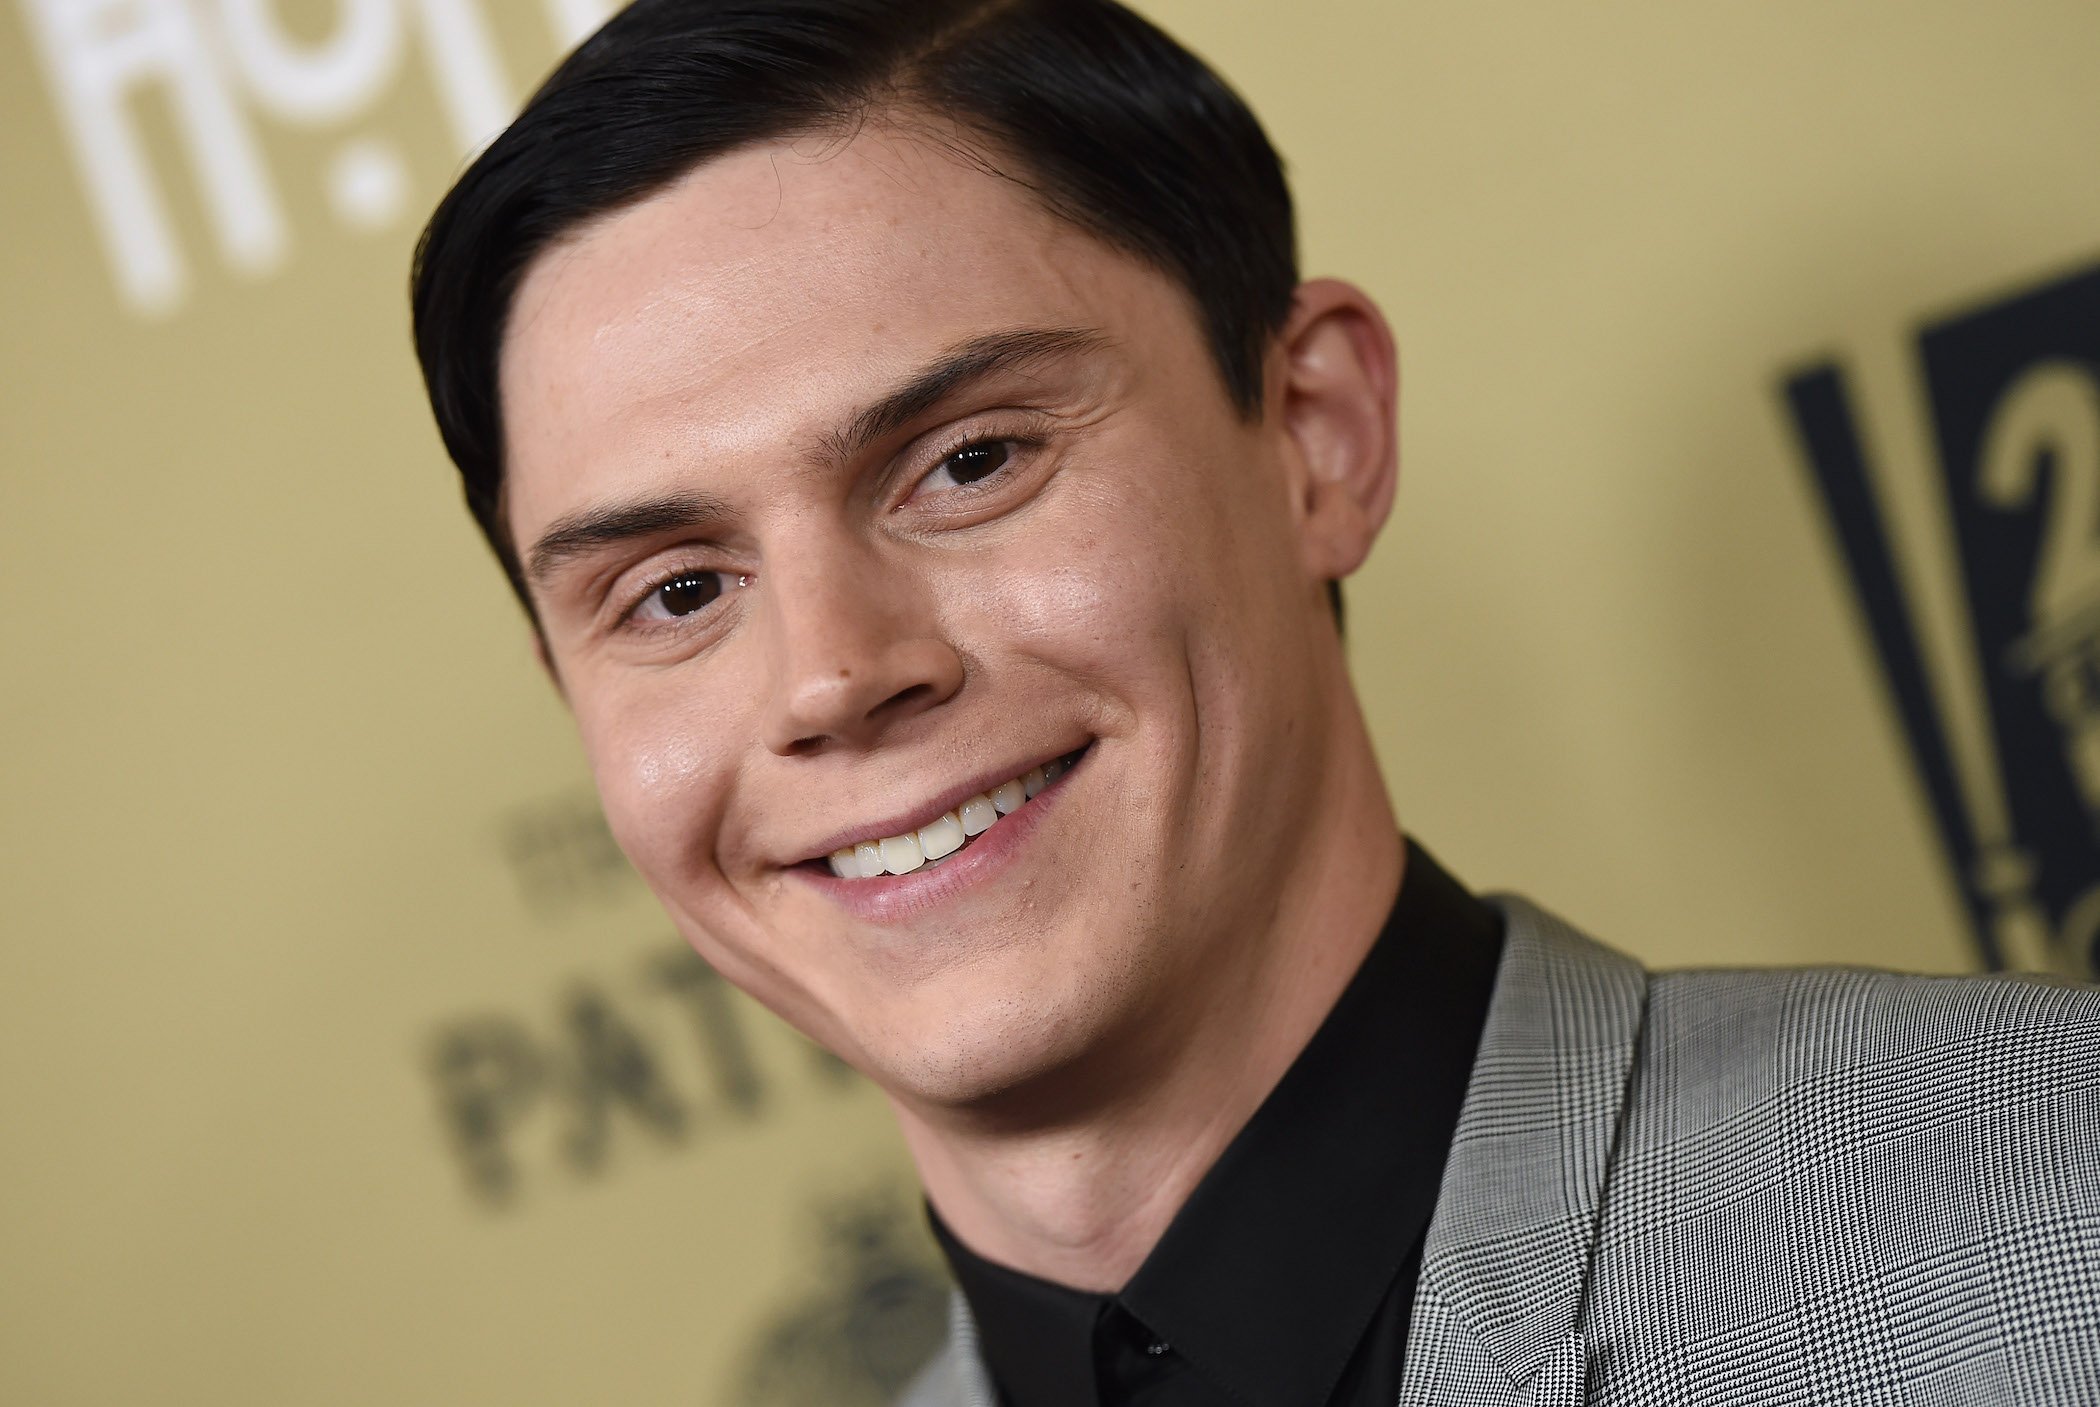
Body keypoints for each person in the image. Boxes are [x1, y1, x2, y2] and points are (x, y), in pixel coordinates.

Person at [409, 1, 2100, 1402]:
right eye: (677, 592)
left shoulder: (2046, 1222)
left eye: (970, 462)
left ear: (1313, 437)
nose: (837, 674)